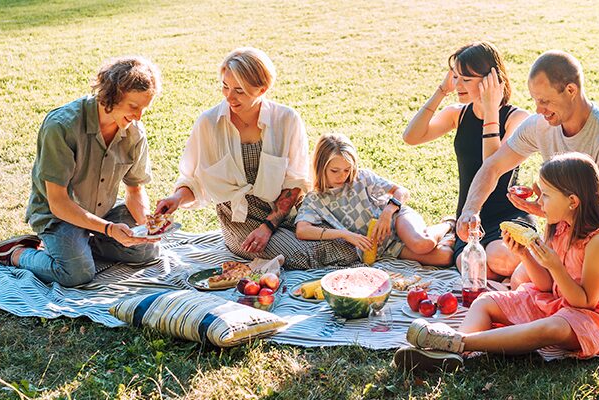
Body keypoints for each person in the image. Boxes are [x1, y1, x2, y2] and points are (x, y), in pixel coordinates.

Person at [395, 153, 599, 371]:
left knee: (552, 328)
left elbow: (586, 302)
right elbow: (545, 286)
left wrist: (554, 265)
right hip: (560, 302)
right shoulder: (559, 226)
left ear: (572, 201)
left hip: (598, 318)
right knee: (486, 301)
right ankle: (453, 353)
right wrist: (524, 253)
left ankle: (457, 342)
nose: (539, 203)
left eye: (546, 195)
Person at [456, 50, 599, 289]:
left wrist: (550, 211)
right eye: (535, 100)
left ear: (571, 91)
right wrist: (470, 210)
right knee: (521, 280)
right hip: (570, 224)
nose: (538, 110)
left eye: (544, 101)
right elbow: (493, 166)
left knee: (553, 287)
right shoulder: (541, 125)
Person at [154, 47, 357, 269]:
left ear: (262, 89)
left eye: (239, 90)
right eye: (225, 86)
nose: (229, 96)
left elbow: (295, 183)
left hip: (285, 214)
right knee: (300, 255)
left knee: (346, 240)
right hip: (240, 220)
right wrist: (176, 199)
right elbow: (195, 180)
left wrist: (269, 226)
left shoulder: (287, 119)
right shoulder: (209, 123)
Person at [0, 56, 162, 287]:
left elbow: (135, 189)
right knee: (77, 274)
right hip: (58, 215)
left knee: (148, 251)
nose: (138, 117)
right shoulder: (62, 126)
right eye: (133, 107)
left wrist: (145, 228)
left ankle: (82, 245)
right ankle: (17, 253)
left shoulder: (134, 132)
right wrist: (109, 229)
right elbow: (58, 202)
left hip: (102, 211)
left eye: (144, 109)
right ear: (113, 95)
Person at [401, 41, 533, 278]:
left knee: (501, 260)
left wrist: (491, 110)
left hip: (508, 217)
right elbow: (411, 137)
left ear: (490, 80)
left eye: (466, 79)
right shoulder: (458, 114)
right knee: (472, 269)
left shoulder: (518, 119)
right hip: (469, 220)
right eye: (455, 77)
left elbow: (491, 167)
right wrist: (441, 90)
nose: (457, 84)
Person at [294, 134, 454, 266]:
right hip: (386, 247)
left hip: (397, 219)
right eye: (335, 170)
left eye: (347, 170)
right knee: (445, 257)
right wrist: (344, 234)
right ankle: (443, 236)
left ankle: (448, 223)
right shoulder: (315, 199)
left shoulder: (361, 178)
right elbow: (302, 230)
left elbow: (401, 191)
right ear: (320, 167)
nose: (342, 176)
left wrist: (388, 212)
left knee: (422, 243)